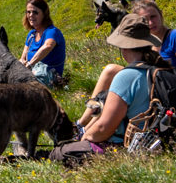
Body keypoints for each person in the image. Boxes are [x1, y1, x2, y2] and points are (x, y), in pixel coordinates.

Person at [51, 14, 167, 168]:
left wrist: (85, 138)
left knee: (59, 153)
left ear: (124, 47)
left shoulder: (126, 76)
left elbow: (104, 128)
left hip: (123, 148)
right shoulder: (158, 69)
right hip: (156, 139)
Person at [75, 0, 176, 126]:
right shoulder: (147, 43)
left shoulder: (175, 37)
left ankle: (91, 128)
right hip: (153, 83)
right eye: (144, 20)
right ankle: (82, 122)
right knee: (110, 70)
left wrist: (165, 90)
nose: (150, 22)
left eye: (153, 16)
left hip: (174, 90)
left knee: (113, 98)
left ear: (161, 15)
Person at [0, 0, 66, 91]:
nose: (31, 15)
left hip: (46, 76)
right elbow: (23, 58)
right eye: (28, 12)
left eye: (35, 12)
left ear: (44, 14)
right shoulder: (31, 35)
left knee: (1, 82)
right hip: (29, 73)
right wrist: (22, 63)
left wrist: (30, 64)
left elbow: (47, 46)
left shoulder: (52, 31)